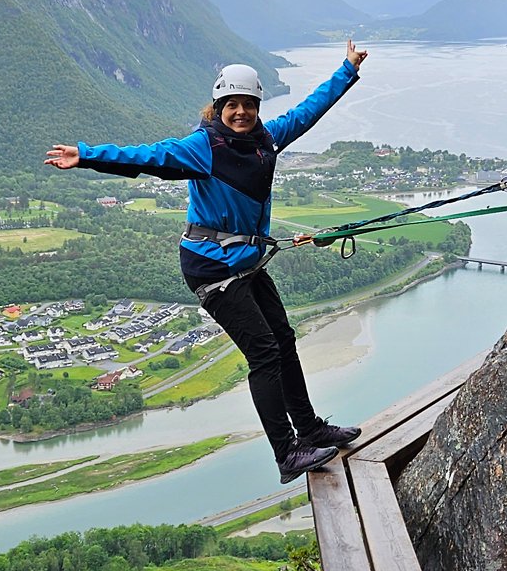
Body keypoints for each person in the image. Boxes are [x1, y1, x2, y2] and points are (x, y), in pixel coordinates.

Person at [45, 40, 370, 481]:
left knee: (283, 339)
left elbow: (308, 111)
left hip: (246, 261)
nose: (240, 112)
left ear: (257, 107)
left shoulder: (267, 139)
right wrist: (86, 155)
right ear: (218, 108)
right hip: (212, 266)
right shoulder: (203, 147)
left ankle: (310, 429)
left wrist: (347, 70)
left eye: (248, 104)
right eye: (231, 105)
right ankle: (286, 453)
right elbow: (146, 157)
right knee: (264, 353)